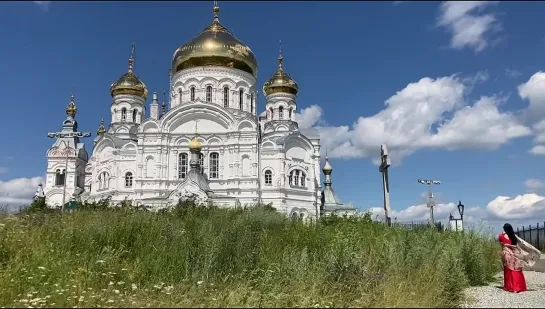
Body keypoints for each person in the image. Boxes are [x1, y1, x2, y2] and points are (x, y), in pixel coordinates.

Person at [498, 223, 527, 293]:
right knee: (517, 270)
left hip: (507, 254)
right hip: (516, 255)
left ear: (504, 229)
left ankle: (510, 287)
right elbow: (516, 245)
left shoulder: (501, 236)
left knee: (508, 270)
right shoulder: (514, 236)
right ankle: (519, 286)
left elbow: (502, 244)